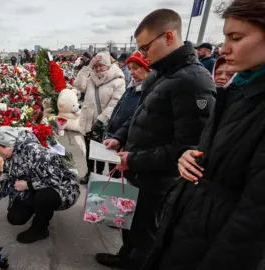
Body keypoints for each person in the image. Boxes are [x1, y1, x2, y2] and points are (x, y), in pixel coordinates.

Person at [142, 1, 265, 269]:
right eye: (225, 37)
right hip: (191, 221)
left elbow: (254, 220)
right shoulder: (239, 93)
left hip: (214, 242)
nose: (224, 48)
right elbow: (214, 149)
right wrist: (188, 155)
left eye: (236, 37)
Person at [98, 9, 216, 269]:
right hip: (138, 171)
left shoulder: (194, 81)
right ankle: (124, 257)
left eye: (146, 47)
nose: (142, 55)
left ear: (169, 37)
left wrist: (135, 159)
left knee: (146, 235)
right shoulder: (160, 74)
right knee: (129, 223)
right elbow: (140, 115)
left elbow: (189, 148)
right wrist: (118, 138)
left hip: (159, 181)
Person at [0, 127, 80, 244]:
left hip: (62, 189)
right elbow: (3, 183)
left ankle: (40, 229)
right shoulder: (9, 157)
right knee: (15, 217)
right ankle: (40, 207)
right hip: (35, 187)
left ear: (7, 145)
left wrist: (28, 185)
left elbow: (57, 178)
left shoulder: (37, 153)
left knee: (44, 198)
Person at [76, 52, 126, 185]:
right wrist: (88, 66)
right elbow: (79, 85)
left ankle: (98, 176)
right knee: (89, 149)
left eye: (101, 66)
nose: (97, 69)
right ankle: (90, 172)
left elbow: (115, 103)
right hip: (88, 120)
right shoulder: (91, 76)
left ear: (108, 65)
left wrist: (101, 120)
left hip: (103, 123)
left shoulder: (118, 81)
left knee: (102, 153)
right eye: (96, 66)